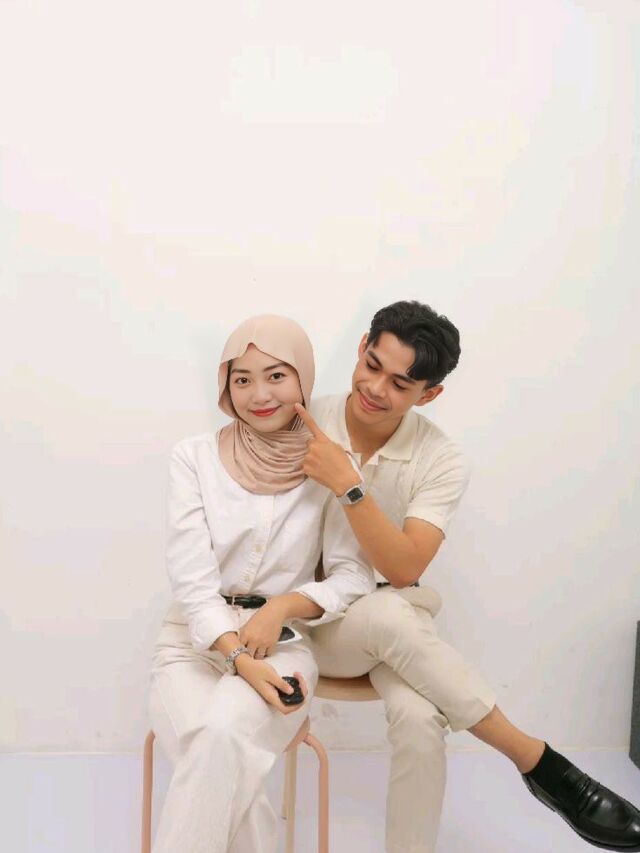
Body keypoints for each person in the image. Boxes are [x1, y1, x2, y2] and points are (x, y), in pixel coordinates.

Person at [293, 300, 640, 853]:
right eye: (373, 365)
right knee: (389, 613)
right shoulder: (302, 420)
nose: (376, 388)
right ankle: (540, 764)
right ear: (362, 347)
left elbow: (404, 567)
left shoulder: (441, 458)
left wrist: (348, 484)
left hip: (393, 627)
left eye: (401, 384)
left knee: (420, 718)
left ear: (429, 395)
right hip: (308, 627)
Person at [148, 314, 374, 853]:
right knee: (221, 756)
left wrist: (283, 607)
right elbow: (191, 577)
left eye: (276, 375)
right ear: (225, 387)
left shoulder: (333, 466)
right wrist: (236, 656)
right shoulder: (194, 458)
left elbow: (354, 576)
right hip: (189, 645)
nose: (259, 394)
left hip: (283, 647)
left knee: (219, 737)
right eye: (242, 379)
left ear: (303, 380)